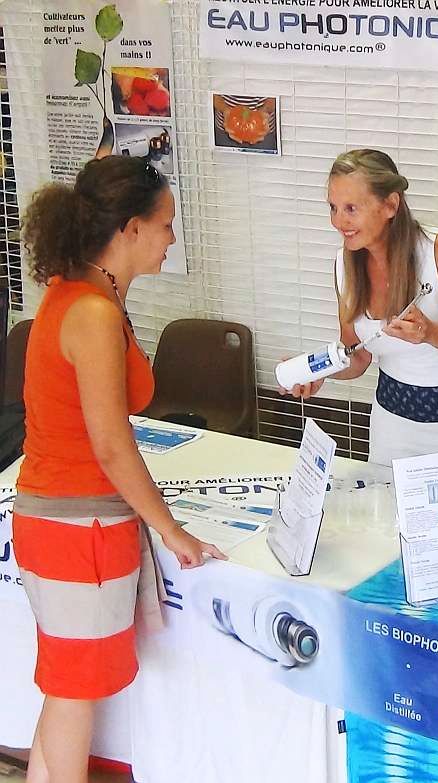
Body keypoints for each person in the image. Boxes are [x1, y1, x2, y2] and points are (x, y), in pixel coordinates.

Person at [13, 155, 226, 783]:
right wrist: (172, 530)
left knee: (65, 691)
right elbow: (112, 446)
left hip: (58, 522)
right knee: (73, 698)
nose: (171, 239)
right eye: (165, 225)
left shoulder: (79, 292)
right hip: (80, 532)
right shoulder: (93, 312)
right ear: (130, 229)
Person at [284, 149, 438, 481]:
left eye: (351, 209)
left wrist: (430, 333)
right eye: (333, 208)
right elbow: (357, 356)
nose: (339, 222)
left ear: (390, 205)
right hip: (395, 428)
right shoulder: (344, 265)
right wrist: (319, 372)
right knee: (387, 511)